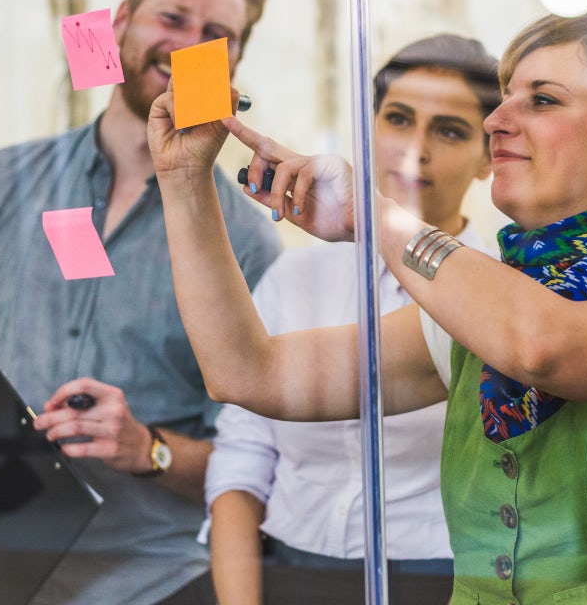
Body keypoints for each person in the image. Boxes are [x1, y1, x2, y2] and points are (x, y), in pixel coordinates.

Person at [146, 7, 587, 603]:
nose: (496, 120)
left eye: (543, 99)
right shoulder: (470, 314)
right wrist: (184, 182)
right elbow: (248, 373)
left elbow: (543, 346)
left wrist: (372, 213)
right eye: (505, 97)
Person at [0, 0, 282, 605]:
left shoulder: (249, 243)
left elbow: (257, 463)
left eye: (215, 34)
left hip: (159, 581)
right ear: (119, 23)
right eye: (172, 18)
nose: (188, 44)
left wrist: (149, 448)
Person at [204, 34, 500, 604]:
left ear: (488, 157)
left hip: (444, 578)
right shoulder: (295, 279)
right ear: (369, 127)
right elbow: (243, 458)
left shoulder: (500, 290)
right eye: (398, 119)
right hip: (286, 571)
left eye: (450, 130)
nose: (416, 149)